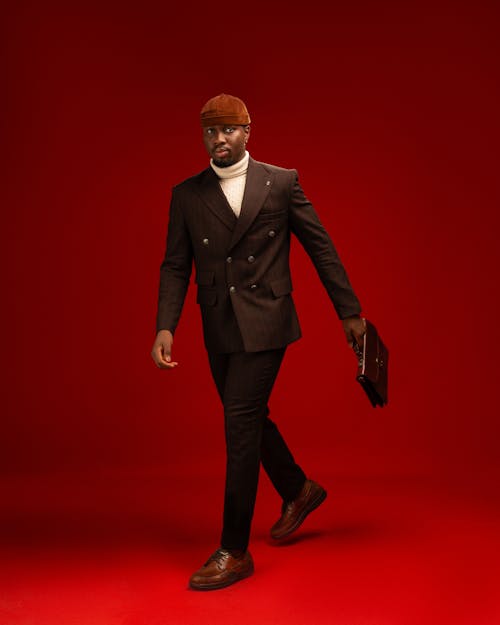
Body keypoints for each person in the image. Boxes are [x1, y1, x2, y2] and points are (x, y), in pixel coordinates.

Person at [151, 93, 365, 590]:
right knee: (244, 413)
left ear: (248, 131)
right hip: (218, 325)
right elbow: (175, 265)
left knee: (240, 425)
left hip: (268, 319)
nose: (218, 140)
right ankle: (298, 489)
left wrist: (348, 310)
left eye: (227, 130)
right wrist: (166, 324)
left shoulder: (280, 182)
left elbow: (320, 246)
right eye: (210, 132)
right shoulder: (187, 194)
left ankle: (234, 549)